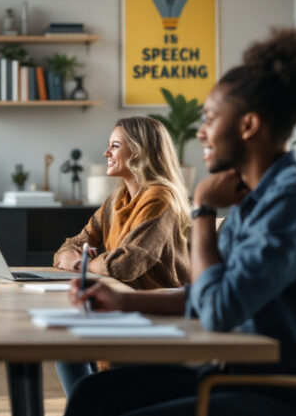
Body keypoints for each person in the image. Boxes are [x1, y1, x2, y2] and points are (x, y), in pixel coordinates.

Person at [64, 29, 296, 416]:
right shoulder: (260, 198)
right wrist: (123, 300)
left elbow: (218, 309)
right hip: (238, 376)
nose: (201, 131)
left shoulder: (292, 201)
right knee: (92, 394)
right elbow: (208, 293)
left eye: (210, 119)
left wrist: (201, 209)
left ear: (248, 126)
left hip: (289, 395)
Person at [52, 116, 192, 393]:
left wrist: (82, 263)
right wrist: (82, 260)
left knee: (66, 346)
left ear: (138, 152)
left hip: (154, 316)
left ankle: (92, 404)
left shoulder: (161, 199)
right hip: (119, 309)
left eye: (115, 146)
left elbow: (126, 265)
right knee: (64, 346)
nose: (106, 153)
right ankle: (90, 405)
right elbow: (65, 250)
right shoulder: (115, 201)